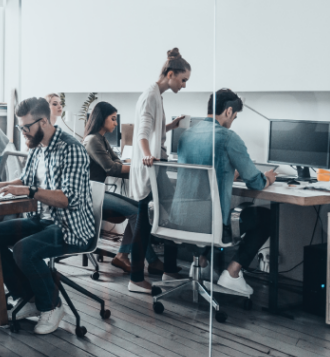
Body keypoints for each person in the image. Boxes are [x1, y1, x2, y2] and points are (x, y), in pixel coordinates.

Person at [0, 97, 95, 335]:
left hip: (70, 226)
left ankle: (52, 306)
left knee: (25, 250)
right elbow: (26, 181)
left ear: (43, 121)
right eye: (20, 127)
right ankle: (30, 298)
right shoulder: (37, 147)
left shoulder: (71, 149)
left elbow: (68, 199)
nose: (23, 132)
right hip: (41, 221)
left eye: (26, 127)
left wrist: (30, 191)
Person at [175, 89, 277, 295]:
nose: (233, 121)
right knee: (267, 218)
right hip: (208, 222)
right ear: (228, 111)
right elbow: (255, 182)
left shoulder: (186, 134)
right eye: (235, 116)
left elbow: (201, 176)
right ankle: (232, 273)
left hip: (179, 218)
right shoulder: (228, 137)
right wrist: (268, 178)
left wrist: (229, 175)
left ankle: (202, 263)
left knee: (208, 209)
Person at [128, 48, 191, 293]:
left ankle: (169, 268)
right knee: (145, 222)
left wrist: (171, 125)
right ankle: (135, 278)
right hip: (151, 168)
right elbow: (142, 133)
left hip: (157, 166)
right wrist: (147, 155)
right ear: (171, 73)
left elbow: (152, 128)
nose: (184, 85)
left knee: (170, 215)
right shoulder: (150, 95)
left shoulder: (157, 95)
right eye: (183, 80)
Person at [82, 101, 158, 274]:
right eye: (113, 119)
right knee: (138, 213)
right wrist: (140, 168)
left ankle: (127, 256)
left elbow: (117, 162)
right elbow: (112, 168)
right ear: (102, 118)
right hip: (90, 194)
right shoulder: (93, 140)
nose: (116, 123)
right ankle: (141, 258)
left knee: (139, 209)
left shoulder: (101, 139)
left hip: (98, 190)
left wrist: (137, 168)